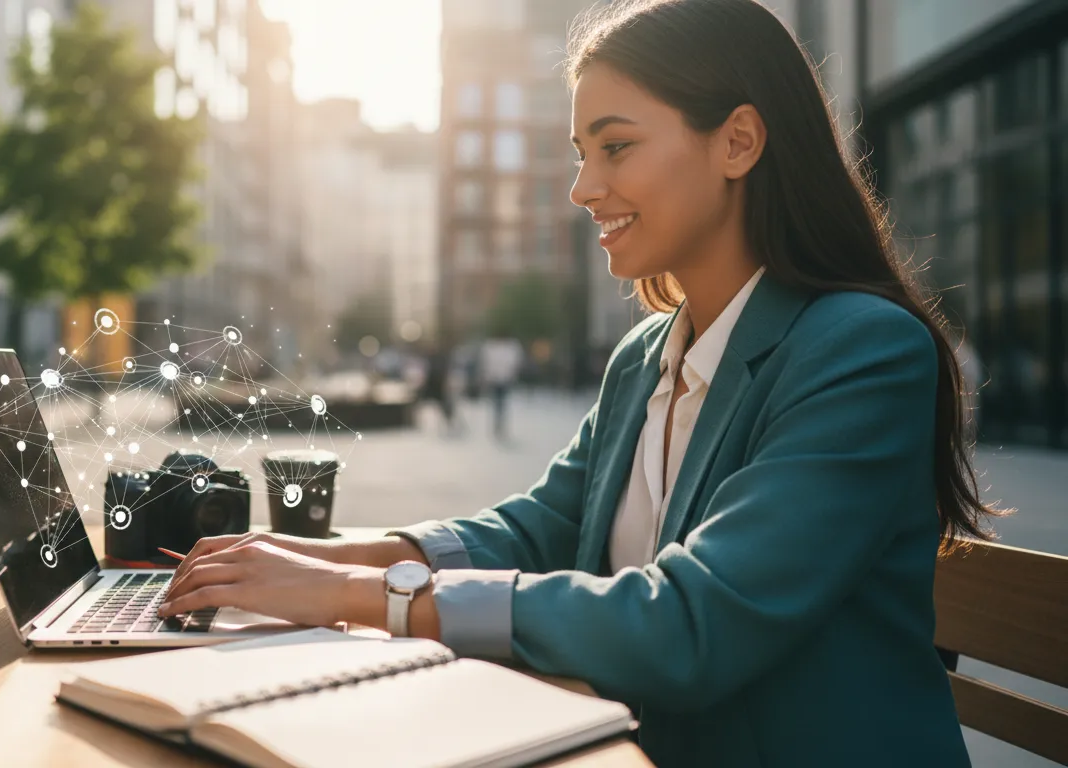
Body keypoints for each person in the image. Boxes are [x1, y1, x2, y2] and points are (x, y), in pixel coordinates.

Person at [157, 2, 1001, 765]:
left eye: (616, 146)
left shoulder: (862, 352)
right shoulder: (645, 356)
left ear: (738, 141)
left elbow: (690, 623)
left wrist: (356, 595)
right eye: (580, 153)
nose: (582, 187)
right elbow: (540, 530)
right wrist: (325, 557)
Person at [478, 336, 524, 441]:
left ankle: (499, 426)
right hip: (496, 379)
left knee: (500, 404)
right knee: (498, 404)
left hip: (503, 379)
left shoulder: (507, 348)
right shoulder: (493, 348)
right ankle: (498, 426)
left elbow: (514, 363)